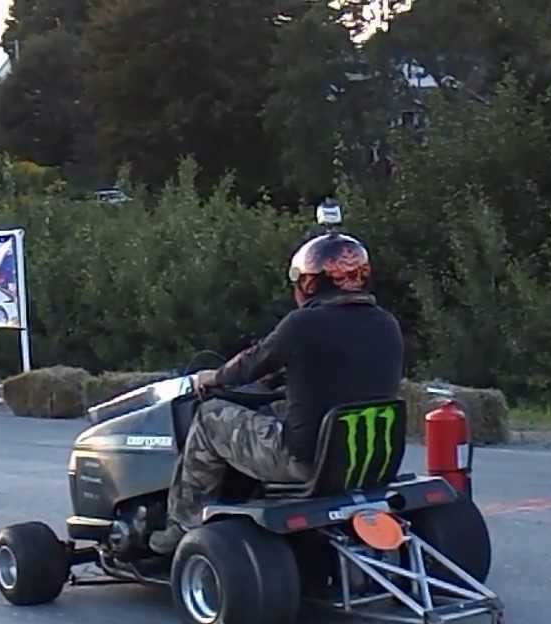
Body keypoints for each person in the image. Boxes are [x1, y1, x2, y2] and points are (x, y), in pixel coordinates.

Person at [148, 227, 405, 554]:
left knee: (210, 418)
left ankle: (183, 524)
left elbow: (249, 365)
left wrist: (210, 379)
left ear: (310, 282)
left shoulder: (303, 325)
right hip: (366, 462)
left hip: (305, 461)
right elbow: (332, 374)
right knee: (276, 412)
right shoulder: (386, 324)